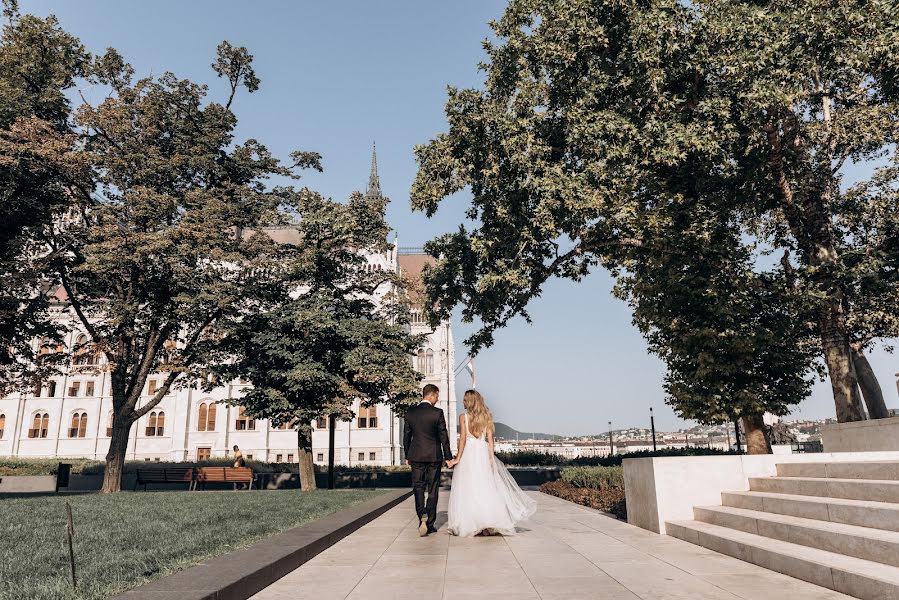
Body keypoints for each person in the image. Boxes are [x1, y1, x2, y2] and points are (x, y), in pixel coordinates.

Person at [446, 390, 537, 537]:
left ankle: (474, 523)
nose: (462, 402)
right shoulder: (487, 417)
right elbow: (491, 441)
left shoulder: (463, 417)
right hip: (482, 453)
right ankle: (488, 524)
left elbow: (462, 439)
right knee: (485, 486)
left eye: (464, 400)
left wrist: (457, 458)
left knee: (470, 487)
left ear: (469, 401)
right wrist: (490, 459)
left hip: (469, 453)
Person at [403, 384, 453, 537]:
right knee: (432, 489)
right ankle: (429, 524)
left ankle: (421, 515)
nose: (437, 399)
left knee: (418, 487)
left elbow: (406, 436)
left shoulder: (410, 412)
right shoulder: (437, 413)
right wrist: (448, 457)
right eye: (437, 396)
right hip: (433, 456)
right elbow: (443, 437)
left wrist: (407, 455)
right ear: (431, 395)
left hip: (416, 455)